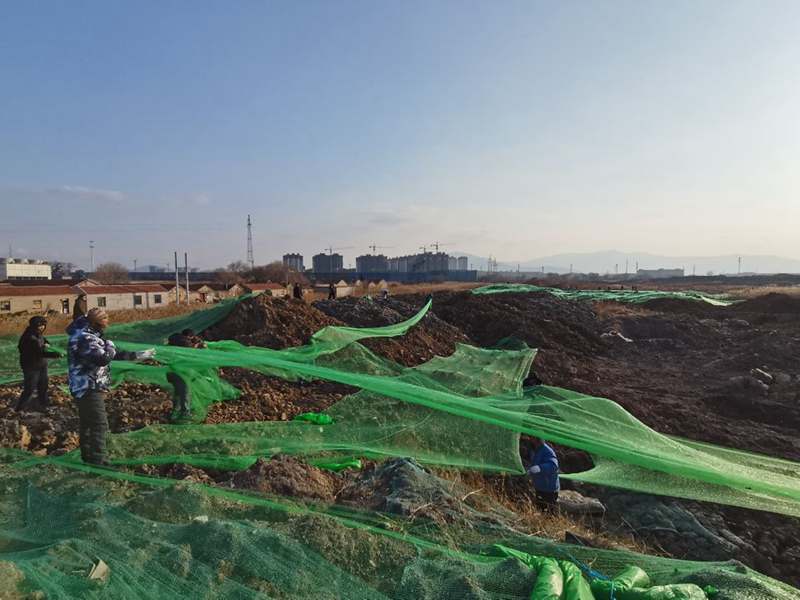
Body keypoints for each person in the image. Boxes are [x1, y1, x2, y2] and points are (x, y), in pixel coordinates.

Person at [67, 308, 155, 465]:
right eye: (104, 323)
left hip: (86, 386)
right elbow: (103, 358)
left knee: (88, 422)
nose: (106, 326)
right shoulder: (85, 338)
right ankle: (98, 459)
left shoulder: (88, 336)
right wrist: (110, 346)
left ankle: (88, 457)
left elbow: (111, 354)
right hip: (88, 386)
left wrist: (136, 355)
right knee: (99, 423)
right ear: (96, 323)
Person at [14, 316, 62, 412]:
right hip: (31, 366)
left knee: (43, 386)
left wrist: (47, 343)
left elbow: (43, 340)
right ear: (34, 326)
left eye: (43, 325)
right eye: (40, 325)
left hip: (41, 365)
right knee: (30, 388)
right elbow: (38, 353)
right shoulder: (29, 337)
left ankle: (43, 405)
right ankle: (20, 409)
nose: (42, 327)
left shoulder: (37, 334)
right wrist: (55, 355)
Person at [165, 329, 205, 420]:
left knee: (177, 392)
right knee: (185, 391)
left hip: (171, 371)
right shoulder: (184, 342)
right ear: (189, 336)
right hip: (181, 372)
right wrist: (197, 346)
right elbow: (190, 354)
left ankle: (175, 410)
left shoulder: (173, 340)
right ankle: (185, 413)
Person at [527, 437, 560, 512]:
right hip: (539, 487)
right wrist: (530, 471)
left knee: (549, 512)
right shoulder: (534, 449)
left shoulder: (547, 451)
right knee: (539, 509)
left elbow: (553, 466)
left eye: (533, 438)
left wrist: (540, 468)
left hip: (549, 489)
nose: (531, 439)